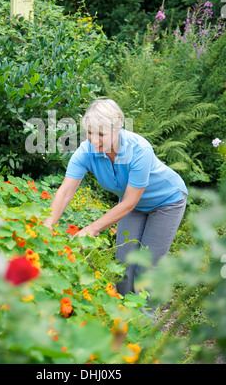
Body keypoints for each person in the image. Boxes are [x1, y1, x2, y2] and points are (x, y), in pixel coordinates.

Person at [43, 98, 188, 306]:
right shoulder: (86, 151)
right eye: (90, 133)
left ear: (118, 128)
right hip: (133, 206)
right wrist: (47, 225)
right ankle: (123, 313)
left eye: (101, 134)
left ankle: (144, 322)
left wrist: (91, 229)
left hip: (166, 201)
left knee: (146, 265)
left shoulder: (139, 150)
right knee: (124, 262)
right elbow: (66, 190)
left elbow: (128, 203)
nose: (94, 140)